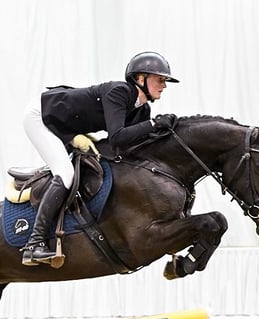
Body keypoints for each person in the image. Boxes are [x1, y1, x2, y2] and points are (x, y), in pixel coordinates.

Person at [20, 51, 180, 266]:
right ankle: (34, 243)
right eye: (160, 79)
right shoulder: (119, 92)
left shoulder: (142, 109)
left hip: (64, 123)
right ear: (140, 78)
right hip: (40, 117)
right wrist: (154, 124)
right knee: (65, 173)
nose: (164, 85)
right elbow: (117, 137)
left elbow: (128, 146)